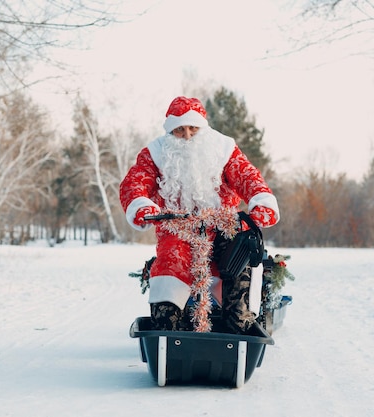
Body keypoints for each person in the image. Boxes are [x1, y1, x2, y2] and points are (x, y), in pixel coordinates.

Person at [119, 96, 280, 333]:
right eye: (179, 129)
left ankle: (240, 322)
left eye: (193, 128)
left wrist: (261, 201)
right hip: (177, 228)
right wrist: (141, 204)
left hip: (224, 226)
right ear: (170, 130)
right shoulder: (156, 153)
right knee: (170, 263)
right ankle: (167, 327)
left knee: (240, 260)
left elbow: (247, 176)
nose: (187, 135)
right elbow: (134, 183)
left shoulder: (223, 149)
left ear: (202, 127)